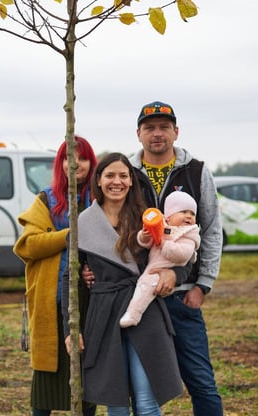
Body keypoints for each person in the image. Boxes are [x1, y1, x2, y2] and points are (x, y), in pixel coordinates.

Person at [125, 100, 224, 415]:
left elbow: (210, 230)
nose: (157, 134)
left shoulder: (196, 171)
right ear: (138, 133)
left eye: (164, 127)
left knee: (201, 383)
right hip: (137, 295)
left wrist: (202, 284)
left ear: (175, 132)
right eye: (150, 128)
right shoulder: (124, 173)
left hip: (183, 298)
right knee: (141, 389)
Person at [65, 152, 183, 416]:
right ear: (98, 180)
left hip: (145, 312)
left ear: (131, 181)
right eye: (109, 175)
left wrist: (174, 275)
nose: (116, 181)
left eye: (123, 175)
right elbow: (69, 278)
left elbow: (180, 253)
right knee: (115, 403)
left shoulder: (148, 217)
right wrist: (69, 328)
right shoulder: (83, 221)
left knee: (146, 401)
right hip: (104, 315)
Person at [13, 136, 98, 416]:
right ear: (60, 163)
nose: (75, 163)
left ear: (91, 162)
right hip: (53, 300)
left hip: (92, 300)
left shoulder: (101, 198)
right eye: (68, 157)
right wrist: (68, 236)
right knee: (47, 375)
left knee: (89, 373)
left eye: (82, 157)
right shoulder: (47, 199)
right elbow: (27, 245)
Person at [120, 190, 200, 328]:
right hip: (153, 266)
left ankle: (133, 315)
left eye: (192, 213)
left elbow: (182, 255)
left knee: (145, 288)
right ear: (168, 217)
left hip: (165, 269)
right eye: (183, 212)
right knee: (141, 287)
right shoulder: (161, 225)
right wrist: (145, 235)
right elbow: (145, 244)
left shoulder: (190, 234)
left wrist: (163, 242)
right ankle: (134, 313)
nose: (188, 216)